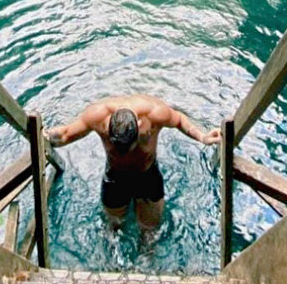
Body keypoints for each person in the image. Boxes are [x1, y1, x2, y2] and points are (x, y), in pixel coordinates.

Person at [46, 94, 221, 230]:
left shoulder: (155, 114)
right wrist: (45, 136)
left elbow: (180, 120)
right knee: (113, 226)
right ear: (108, 128)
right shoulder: (98, 116)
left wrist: (203, 136)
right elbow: (64, 134)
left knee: (150, 230)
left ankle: (148, 262)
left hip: (147, 175)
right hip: (114, 177)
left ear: (139, 125)